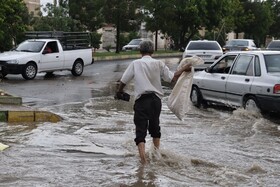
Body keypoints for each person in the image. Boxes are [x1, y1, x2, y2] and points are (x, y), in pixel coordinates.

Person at [116, 40, 192, 164]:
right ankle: (156, 156)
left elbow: (123, 81)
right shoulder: (159, 63)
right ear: (152, 51)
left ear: (140, 51)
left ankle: (143, 161)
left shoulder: (135, 63)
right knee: (155, 128)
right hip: (156, 101)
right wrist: (184, 69)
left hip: (142, 101)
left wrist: (119, 92)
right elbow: (172, 78)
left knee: (140, 130)